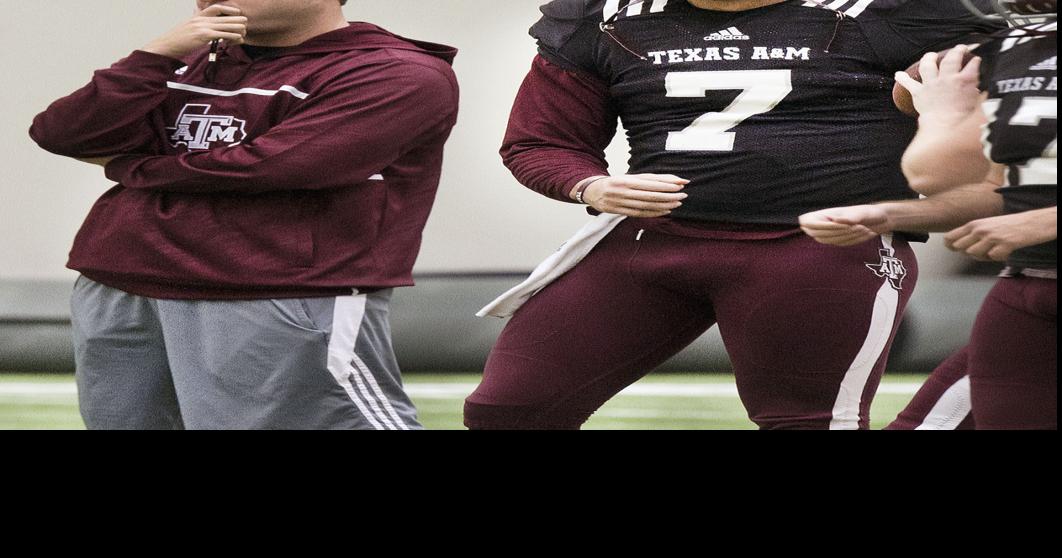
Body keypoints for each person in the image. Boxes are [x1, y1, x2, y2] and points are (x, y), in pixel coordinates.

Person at [465, 0, 1003, 430]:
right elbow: (539, 141)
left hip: (817, 246)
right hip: (651, 243)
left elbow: (1009, 113)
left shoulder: (897, 13)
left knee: (808, 422)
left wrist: (938, 110)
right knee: (508, 411)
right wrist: (591, 185)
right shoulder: (605, 15)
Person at [29, 0, 460, 430]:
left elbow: (271, 166)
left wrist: (127, 166)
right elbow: (61, 132)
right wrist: (154, 55)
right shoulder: (188, 60)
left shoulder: (397, 72)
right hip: (121, 281)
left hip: (274, 291)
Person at [800, 7, 1057, 429]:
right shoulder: (1012, 47)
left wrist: (1046, 221)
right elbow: (953, 180)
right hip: (1028, 286)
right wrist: (887, 213)